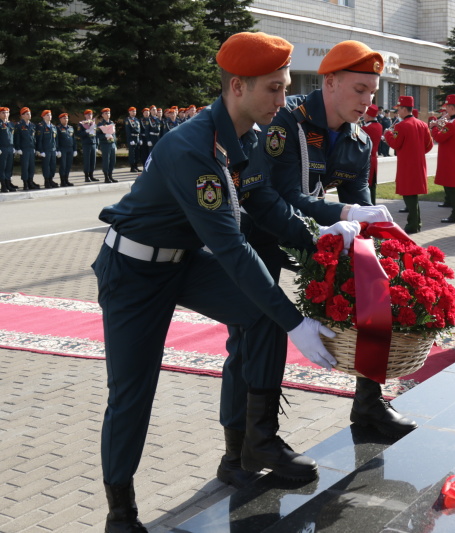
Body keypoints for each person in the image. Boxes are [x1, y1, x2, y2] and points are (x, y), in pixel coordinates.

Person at [92, 32, 366, 531]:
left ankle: (244, 452)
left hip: (183, 263)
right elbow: (232, 248)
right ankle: (121, 511)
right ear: (237, 87)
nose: (284, 101)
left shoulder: (251, 136)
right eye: (274, 90)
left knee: (259, 316)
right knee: (133, 390)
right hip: (133, 270)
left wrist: (322, 234)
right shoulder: (193, 148)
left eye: (285, 89)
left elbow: (261, 203)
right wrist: (295, 323)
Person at [259, 39, 417, 447]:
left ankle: (368, 402)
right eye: (360, 89)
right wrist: (346, 217)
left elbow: (359, 199)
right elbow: (285, 196)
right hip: (263, 232)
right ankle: (254, 441)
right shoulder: (286, 121)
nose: (368, 101)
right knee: (260, 333)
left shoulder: (359, 139)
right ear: (329, 82)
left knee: (374, 286)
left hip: (311, 233)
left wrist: (378, 241)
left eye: (373, 92)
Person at [384, 95, 433, 234]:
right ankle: (415, 222)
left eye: (399, 109)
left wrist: (388, 134)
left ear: (404, 109)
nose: (398, 112)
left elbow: (395, 144)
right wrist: (417, 151)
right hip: (418, 163)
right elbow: (429, 145)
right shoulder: (422, 124)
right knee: (413, 194)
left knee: (408, 194)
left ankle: (413, 224)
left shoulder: (401, 125)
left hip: (406, 165)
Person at [431, 93, 455, 223]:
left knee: (452, 188)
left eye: (446, 108)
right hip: (453, 158)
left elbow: (439, 138)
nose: (445, 111)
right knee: (453, 188)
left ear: (451, 108)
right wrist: (440, 128)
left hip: (450, 159)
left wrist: (434, 127)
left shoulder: (453, 123)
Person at [362, 104, 383, 205]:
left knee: (366, 185)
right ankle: (373, 205)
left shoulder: (365, 128)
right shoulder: (379, 126)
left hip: (365, 159)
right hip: (374, 158)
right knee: (372, 184)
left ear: (368, 115)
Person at [14, 107, 39, 190]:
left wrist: (35, 148)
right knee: (25, 167)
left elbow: (34, 138)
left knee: (32, 166)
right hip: (24, 149)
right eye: (27, 114)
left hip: (31, 148)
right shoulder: (19, 125)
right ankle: (25, 183)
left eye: (30, 113)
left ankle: (30, 182)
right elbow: (17, 137)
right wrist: (18, 148)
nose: (29, 115)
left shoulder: (32, 125)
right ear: (22, 115)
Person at [35, 110, 59, 188]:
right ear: (43, 116)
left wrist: (57, 149)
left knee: (53, 166)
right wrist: (41, 150)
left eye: (50, 115)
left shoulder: (53, 126)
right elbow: (39, 139)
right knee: (46, 166)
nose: (50, 116)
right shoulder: (41, 126)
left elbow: (56, 139)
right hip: (45, 150)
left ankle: (51, 179)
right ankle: (47, 181)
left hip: (53, 149)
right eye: (48, 115)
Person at [76, 109, 100, 182]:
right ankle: (86, 176)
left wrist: (96, 145)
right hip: (86, 144)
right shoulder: (81, 124)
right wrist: (86, 131)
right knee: (87, 161)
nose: (90, 116)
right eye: (88, 114)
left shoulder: (94, 124)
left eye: (91, 114)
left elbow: (96, 135)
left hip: (93, 143)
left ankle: (91, 175)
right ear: (85, 115)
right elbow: (78, 134)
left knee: (93, 161)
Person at [97, 108, 119, 183]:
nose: (108, 115)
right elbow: (98, 135)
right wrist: (105, 135)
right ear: (102, 115)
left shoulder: (112, 123)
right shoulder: (100, 124)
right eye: (106, 113)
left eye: (109, 113)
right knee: (106, 161)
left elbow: (114, 135)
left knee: (113, 160)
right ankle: (106, 177)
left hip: (112, 144)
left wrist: (115, 145)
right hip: (105, 144)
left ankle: (110, 176)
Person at [55, 112, 76, 187]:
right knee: (63, 165)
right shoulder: (58, 128)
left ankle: (67, 180)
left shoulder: (71, 128)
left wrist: (75, 149)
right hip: (62, 149)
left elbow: (73, 139)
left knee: (68, 165)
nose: (66, 119)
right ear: (60, 119)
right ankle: (62, 181)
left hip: (70, 149)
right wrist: (57, 150)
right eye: (64, 118)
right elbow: (56, 140)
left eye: (67, 118)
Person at [0, 106, 17, 192]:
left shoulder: (10, 124)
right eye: (3, 113)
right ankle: (3, 185)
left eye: (7, 113)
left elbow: (13, 136)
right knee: (2, 167)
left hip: (10, 148)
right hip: (2, 148)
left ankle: (8, 183)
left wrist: (14, 147)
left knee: (9, 167)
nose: (5, 114)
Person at [124, 107, 143, 173]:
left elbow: (139, 130)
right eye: (132, 111)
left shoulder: (137, 120)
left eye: (135, 111)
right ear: (129, 112)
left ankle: (136, 166)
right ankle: (132, 167)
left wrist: (140, 138)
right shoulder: (127, 120)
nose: (134, 112)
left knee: (137, 153)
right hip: (132, 138)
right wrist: (130, 139)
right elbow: (128, 131)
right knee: (132, 153)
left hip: (137, 137)